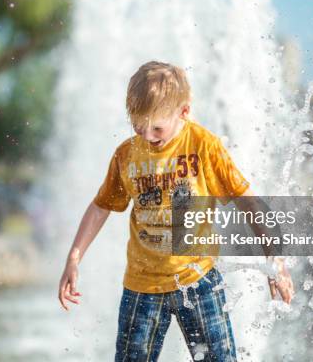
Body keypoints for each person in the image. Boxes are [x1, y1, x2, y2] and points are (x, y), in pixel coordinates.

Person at [58, 61, 295, 361]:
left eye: (157, 128)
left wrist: (275, 259)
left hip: (199, 279)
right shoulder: (126, 156)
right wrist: (74, 258)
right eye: (138, 127)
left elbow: (248, 201)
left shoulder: (203, 146)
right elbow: (100, 206)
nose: (147, 137)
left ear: (183, 111)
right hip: (142, 286)